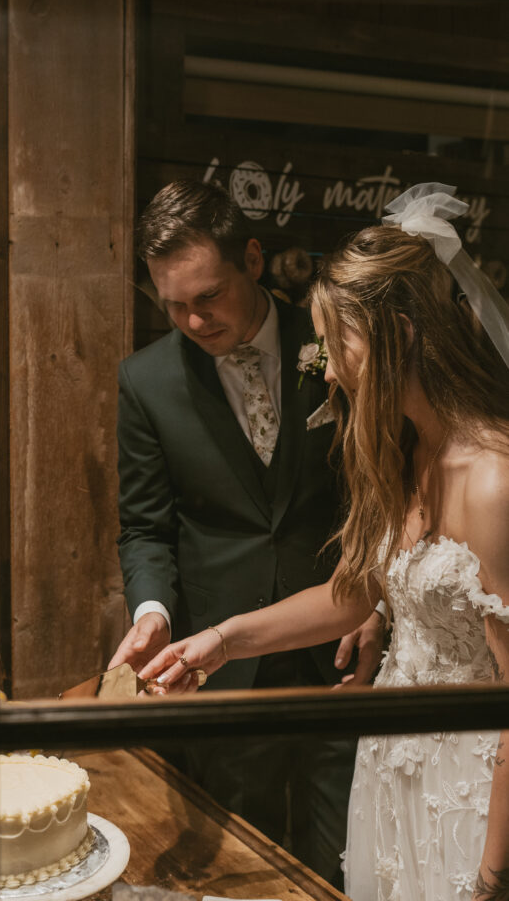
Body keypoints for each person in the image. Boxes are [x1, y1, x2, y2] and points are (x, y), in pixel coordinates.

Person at [140, 183, 509, 901]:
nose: (329, 369)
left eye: (338, 342)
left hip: (467, 794)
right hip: (392, 770)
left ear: (397, 335)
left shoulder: (492, 485)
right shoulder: (408, 456)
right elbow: (358, 594)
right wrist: (220, 640)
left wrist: (493, 876)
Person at [108, 179, 385, 886]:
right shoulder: (146, 381)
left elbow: (383, 493)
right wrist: (151, 611)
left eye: (208, 296)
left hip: (343, 648)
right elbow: (144, 526)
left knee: (347, 849)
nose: (194, 321)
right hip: (222, 662)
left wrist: (379, 604)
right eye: (171, 305)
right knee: (241, 862)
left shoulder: (334, 343)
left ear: (253, 261)